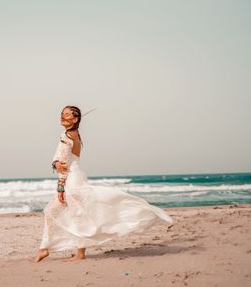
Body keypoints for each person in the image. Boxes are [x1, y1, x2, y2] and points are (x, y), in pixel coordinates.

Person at [34, 105, 173, 262]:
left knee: (70, 214)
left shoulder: (66, 136)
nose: (62, 116)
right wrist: (56, 163)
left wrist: (60, 187)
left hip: (71, 180)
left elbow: (63, 164)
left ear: (75, 119)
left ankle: (72, 252)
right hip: (76, 176)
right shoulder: (75, 135)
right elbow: (63, 160)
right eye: (62, 114)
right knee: (69, 213)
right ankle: (46, 248)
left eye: (67, 114)